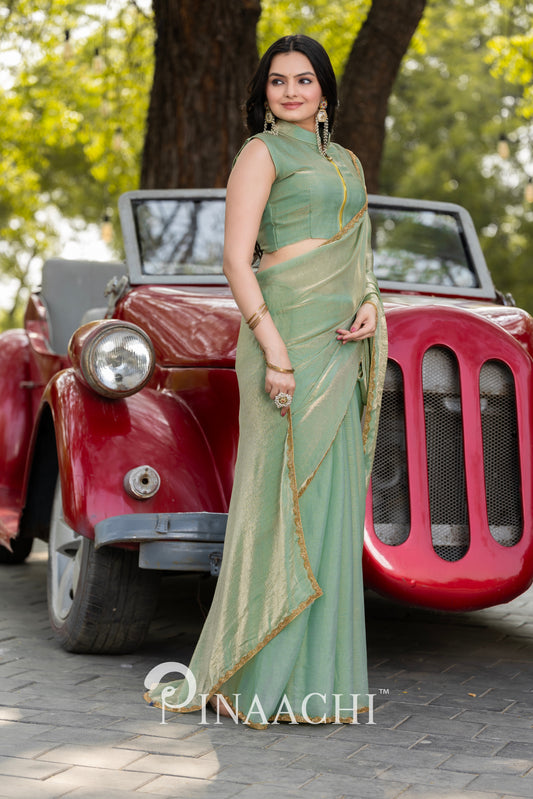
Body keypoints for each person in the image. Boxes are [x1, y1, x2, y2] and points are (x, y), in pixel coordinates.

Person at [145, 34, 387, 729]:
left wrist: (370, 304)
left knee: (328, 503)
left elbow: (360, 253)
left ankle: (320, 682)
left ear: (323, 90)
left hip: (338, 345)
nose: (289, 90)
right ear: (264, 92)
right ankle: (251, 674)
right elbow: (235, 257)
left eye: (303, 79)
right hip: (280, 335)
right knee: (276, 497)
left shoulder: (345, 160)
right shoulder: (260, 153)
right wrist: (275, 348)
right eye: (277, 80)